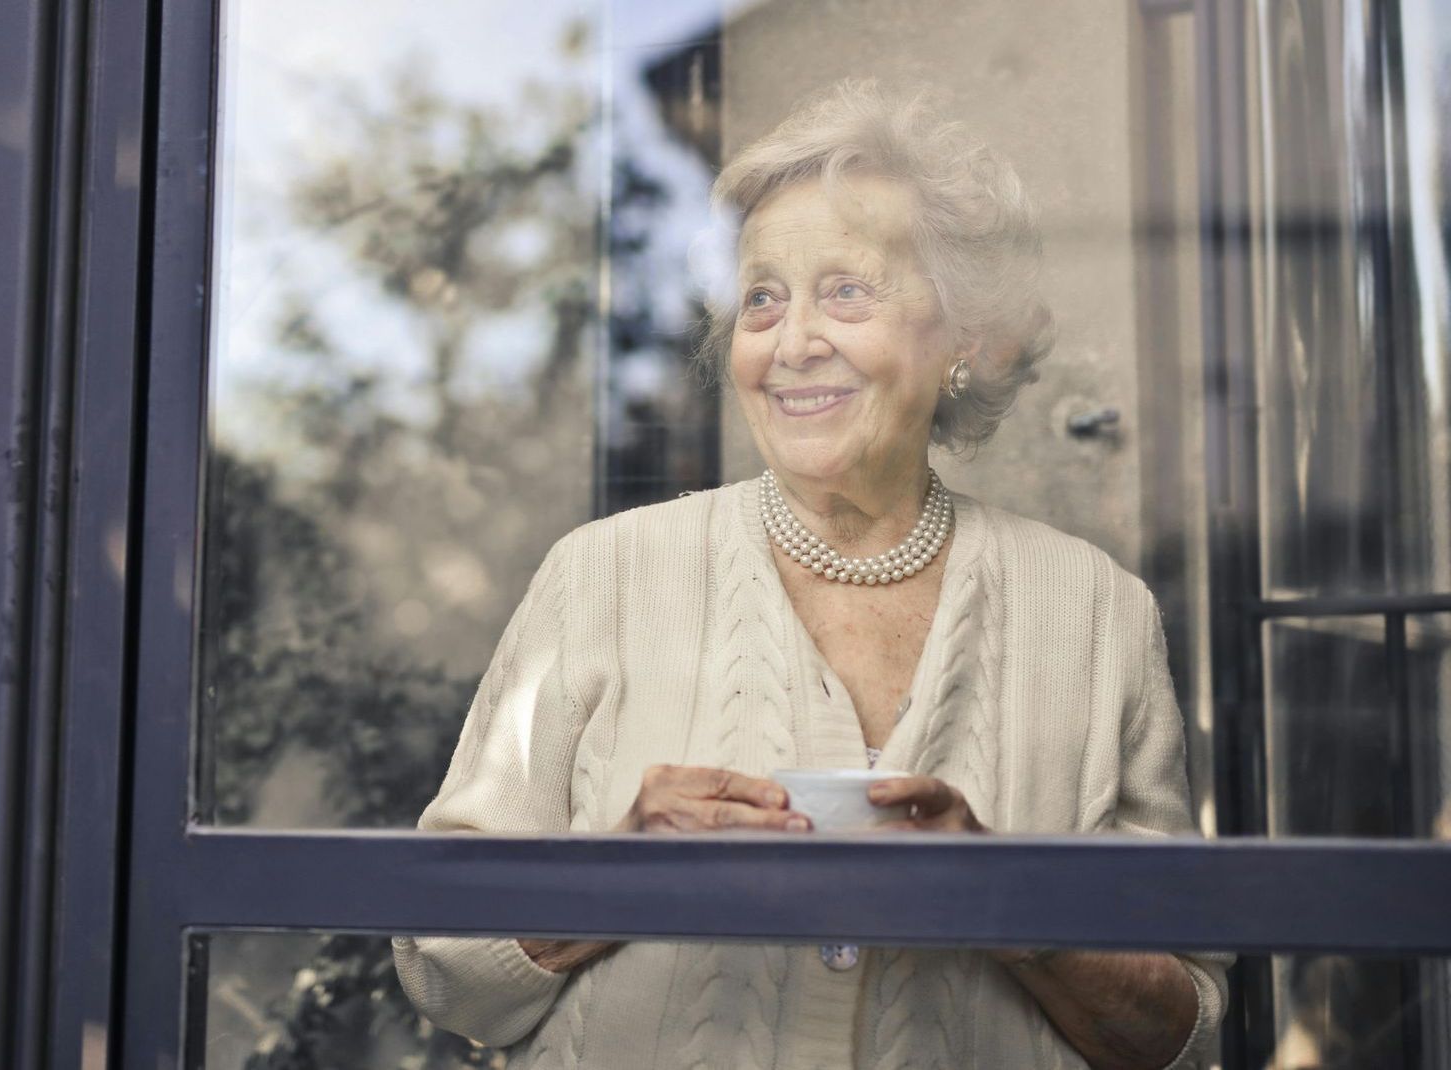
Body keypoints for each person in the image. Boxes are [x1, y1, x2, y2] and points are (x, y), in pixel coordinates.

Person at [392, 81, 1228, 1069]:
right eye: (762, 298)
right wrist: (621, 866)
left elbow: (1181, 1031)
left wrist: (1006, 900)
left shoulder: (1097, 617)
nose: (792, 344)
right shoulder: (601, 578)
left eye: (846, 291)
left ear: (963, 336)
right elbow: (441, 958)